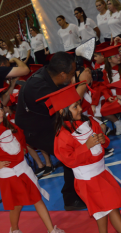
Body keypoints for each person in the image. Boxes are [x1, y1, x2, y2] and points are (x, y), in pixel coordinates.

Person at [50, 82, 121, 233]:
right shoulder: (62, 136)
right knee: (110, 206)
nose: (80, 109)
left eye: (79, 105)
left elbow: (101, 141)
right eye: (74, 107)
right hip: (87, 179)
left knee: (101, 208)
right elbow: (68, 160)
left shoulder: (88, 122)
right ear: (62, 111)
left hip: (101, 171)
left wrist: (104, 140)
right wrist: (85, 146)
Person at [0, 89, 68, 233]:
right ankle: (14, 230)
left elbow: (20, 136)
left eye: (1, 108)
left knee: (37, 198)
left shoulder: (10, 126)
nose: (0, 112)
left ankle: (51, 231)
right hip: (9, 175)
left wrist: (22, 148)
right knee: (17, 205)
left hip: (24, 170)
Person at [15, 52, 92, 211]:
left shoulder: (48, 74)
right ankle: (70, 198)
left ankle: (77, 192)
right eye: (70, 74)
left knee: (74, 151)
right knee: (70, 154)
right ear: (62, 74)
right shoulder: (38, 86)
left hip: (47, 123)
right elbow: (68, 110)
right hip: (35, 131)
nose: (71, 77)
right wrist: (83, 83)